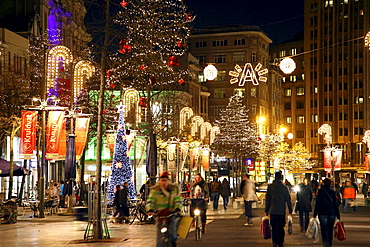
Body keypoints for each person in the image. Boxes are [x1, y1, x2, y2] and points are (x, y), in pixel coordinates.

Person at [146, 171, 182, 247]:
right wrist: (150, 210)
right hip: (160, 216)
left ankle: (173, 244)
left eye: (165, 180)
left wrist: (177, 208)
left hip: (171, 215)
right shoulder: (155, 190)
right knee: (159, 237)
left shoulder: (173, 190)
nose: (163, 183)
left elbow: (177, 200)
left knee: (172, 234)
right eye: (162, 180)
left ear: (168, 181)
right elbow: (150, 200)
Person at [265, 171, 293, 247]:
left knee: (274, 227)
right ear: (281, 178)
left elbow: (268, 199)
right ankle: (280, 242)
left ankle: (274, 241)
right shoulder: (284, 188)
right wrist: (290, 209)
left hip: (273, 210)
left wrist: (266, 210)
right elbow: (288, 199)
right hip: (281, 211)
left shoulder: (271, 187)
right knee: (281, 227)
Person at [313, 178, 340, 247]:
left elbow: (318, 203)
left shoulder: (320, 192)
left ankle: (325, 242)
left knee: (323, 228)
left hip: (322, 212)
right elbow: (335, 204)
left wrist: (315, 213)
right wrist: (338, 214)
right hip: (331, 212)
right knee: (330, 228)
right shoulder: (332, 192)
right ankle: (330, 243)